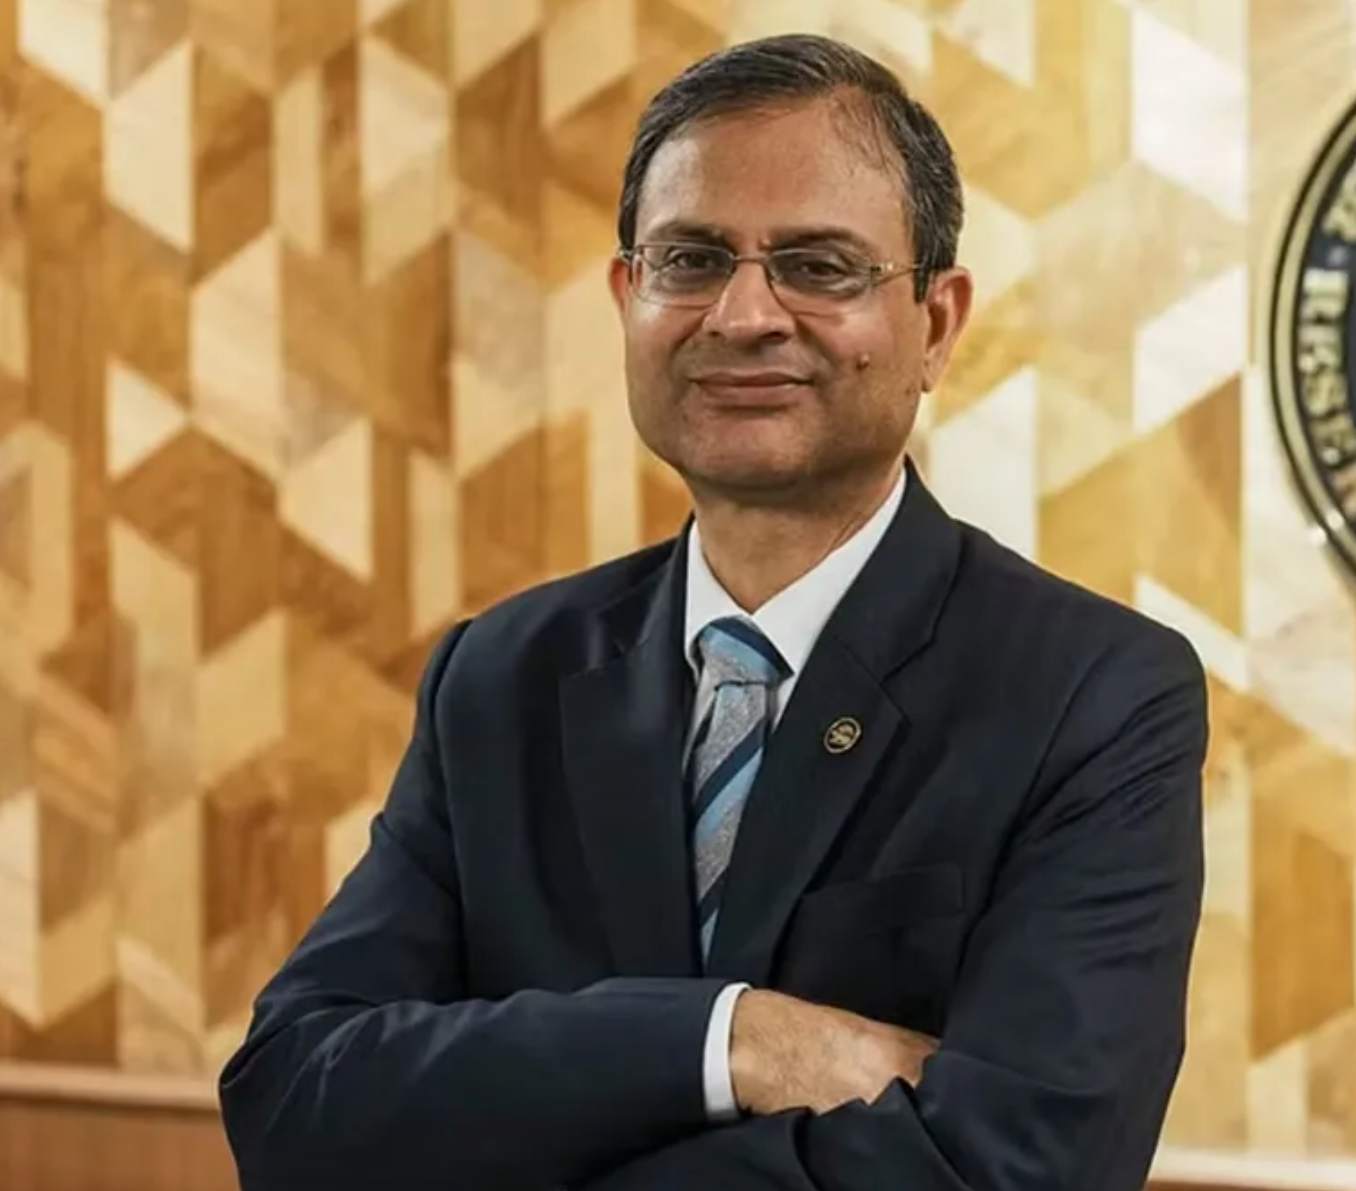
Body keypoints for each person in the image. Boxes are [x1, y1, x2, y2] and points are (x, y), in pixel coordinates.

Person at [215, 32, 1210, 1191]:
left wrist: (520, 1125)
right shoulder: (500, 676)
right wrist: (728, 1040)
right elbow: (294, 1102)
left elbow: (1024, 1167)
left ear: (935, 324)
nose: (742, 314)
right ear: (627, 297)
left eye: (819, 266)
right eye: (689, 259)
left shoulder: (1094, 695)